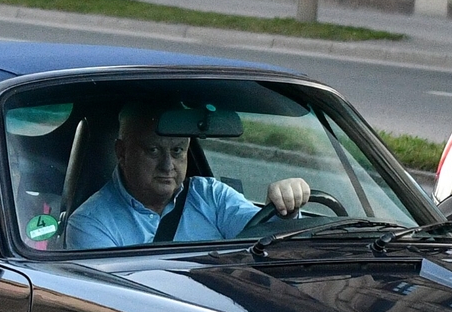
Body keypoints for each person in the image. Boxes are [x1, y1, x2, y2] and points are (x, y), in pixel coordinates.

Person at [62, 101, 313, 249]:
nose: (167, 164)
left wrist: (287, 207)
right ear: (122, 152)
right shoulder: (91, 223)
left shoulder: (211, 196)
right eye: (153, 150)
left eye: (178, 150)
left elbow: (266, 239)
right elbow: (120, 305)